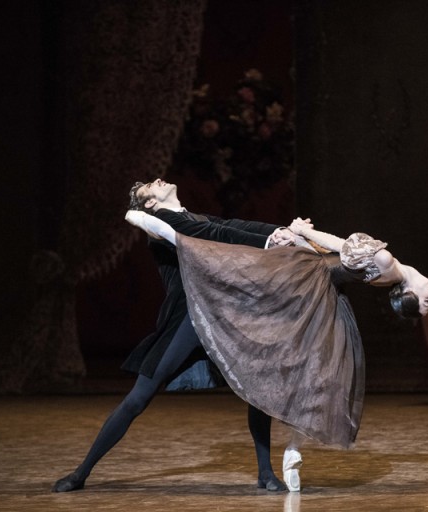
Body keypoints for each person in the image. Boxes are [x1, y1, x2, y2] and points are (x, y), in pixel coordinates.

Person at [124, 209, 428, 492]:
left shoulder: (386, 264)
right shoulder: (391, 269)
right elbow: (341, 254)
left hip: (310, 278)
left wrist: (303, 231)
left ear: (407, 292)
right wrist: (304, 239)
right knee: (311, 370)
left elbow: (341, 246)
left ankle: (175, 237)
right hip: (318, 281)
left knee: (241, 271)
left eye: (424, 302)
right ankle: (292, 448)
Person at [52, 179, 298, 493]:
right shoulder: (159, 223)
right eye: (149, 188)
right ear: (150, 204)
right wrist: (268, 242)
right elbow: (214, 235)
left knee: (257, 390)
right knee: (138, 398)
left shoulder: (193, 217)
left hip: (222, 316)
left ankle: (265, 473)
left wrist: (279, 231)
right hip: (190, 318)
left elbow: (231, 225)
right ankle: (80, 473)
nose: (158, 180)